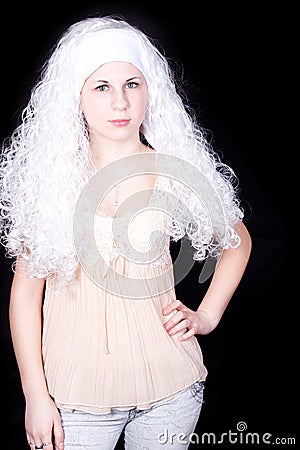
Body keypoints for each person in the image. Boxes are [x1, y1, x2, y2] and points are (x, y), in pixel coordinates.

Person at [0, 14, 252, 450]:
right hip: (74, 401)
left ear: (149, 91)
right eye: (102, 87)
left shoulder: (175, 170)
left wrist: (207, 315)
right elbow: (25, 293)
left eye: (131, 84)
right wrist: (35, 396)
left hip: (171, 389)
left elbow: (238, 241)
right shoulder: (50, 184)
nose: (120, 102)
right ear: (75, 97)